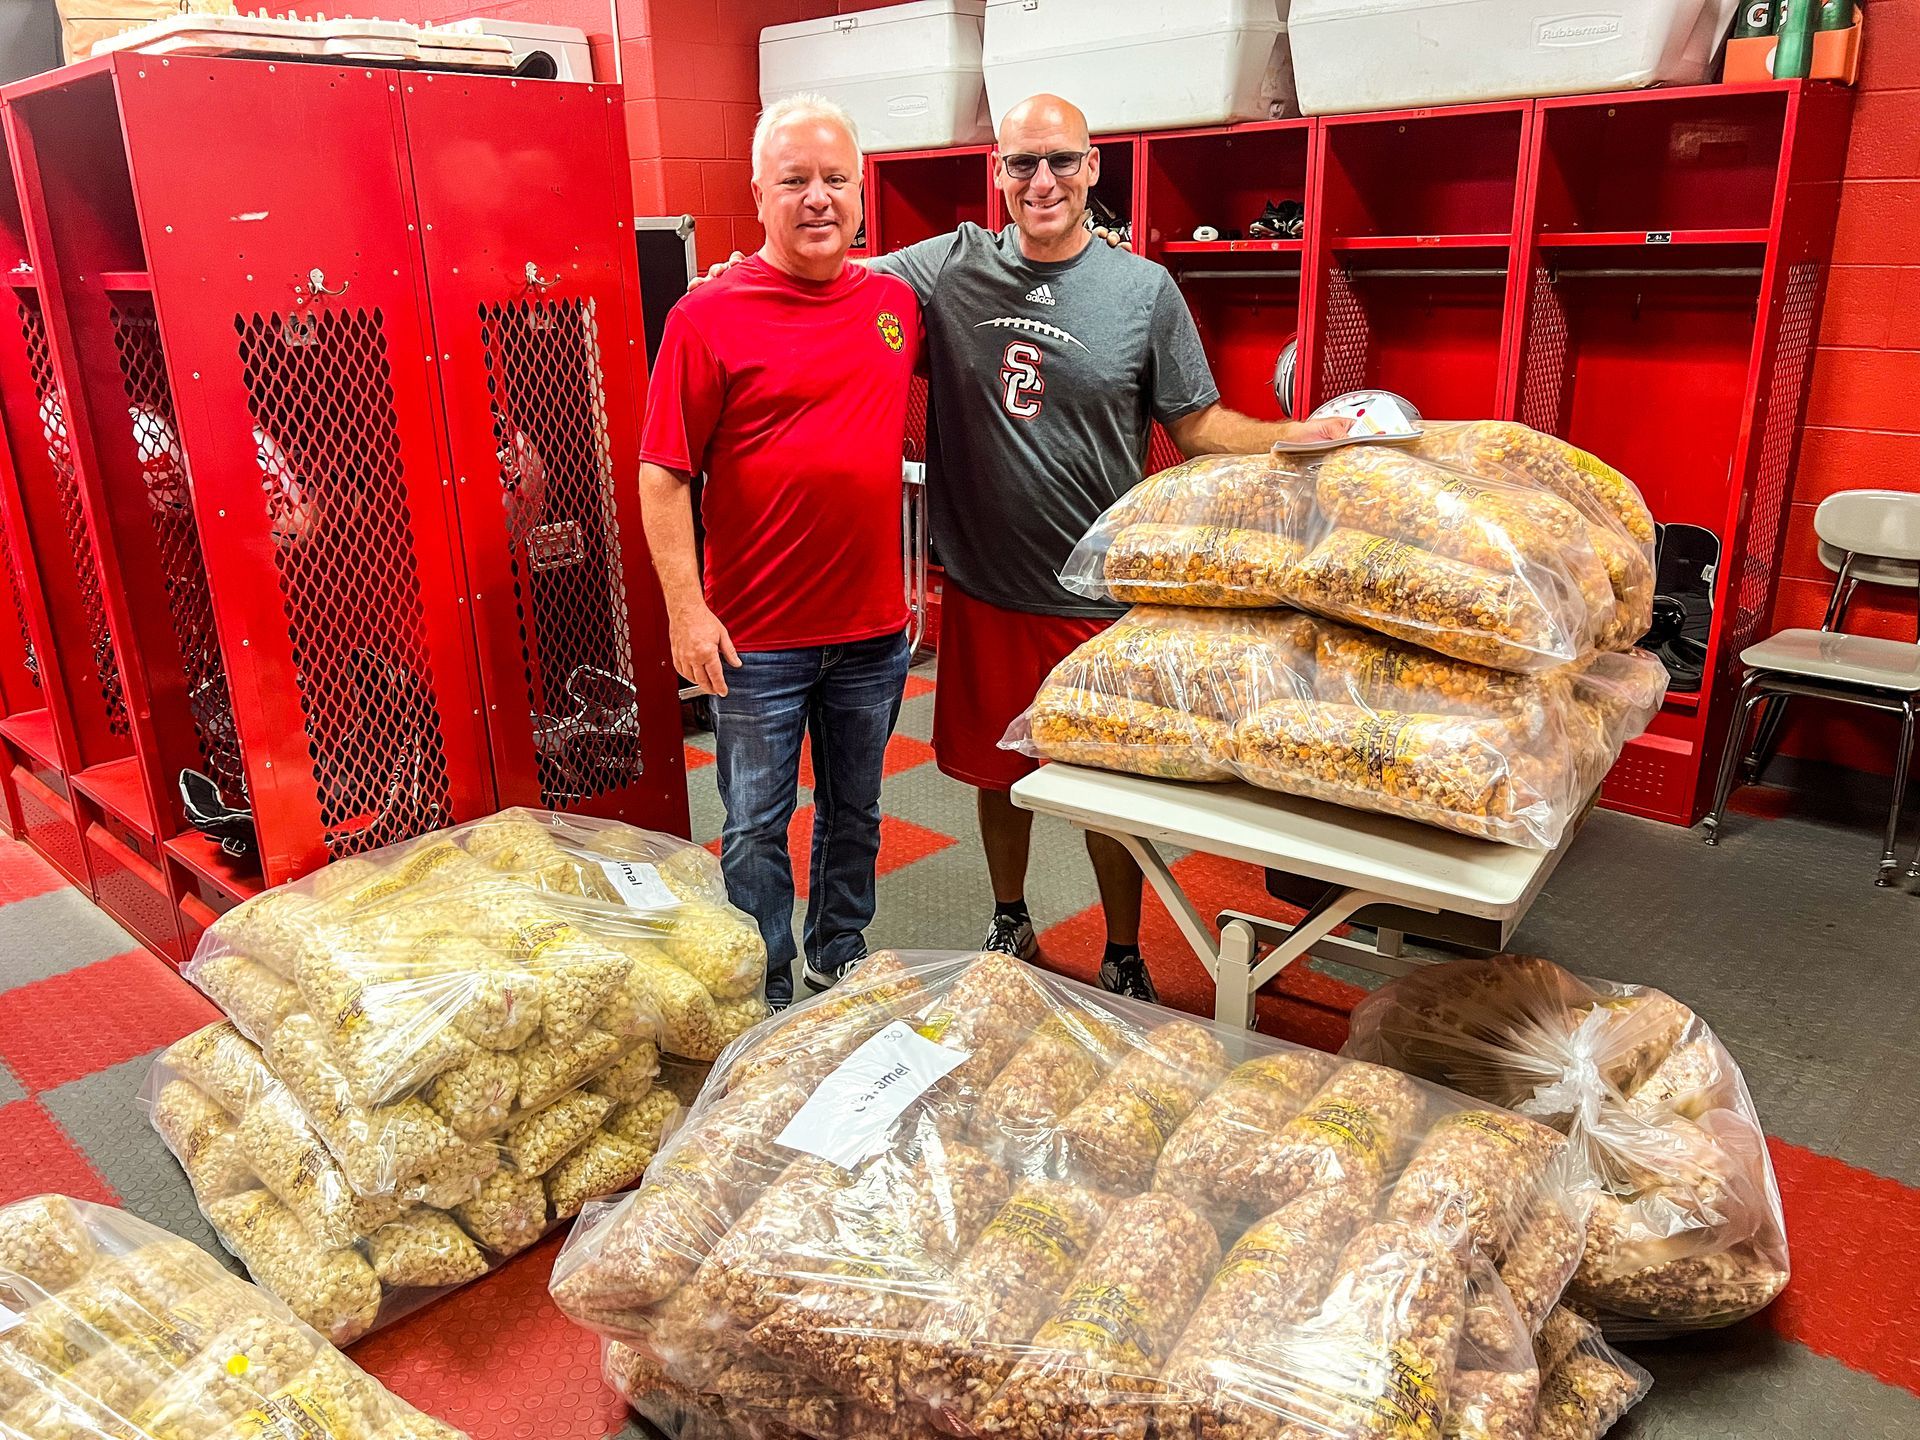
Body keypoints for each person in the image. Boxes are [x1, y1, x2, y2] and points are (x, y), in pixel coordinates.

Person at [697, 93, 1345, 1002]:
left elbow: (1196, 427)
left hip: (1098, 602)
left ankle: (1123, 947)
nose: (1042, 181)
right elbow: (829, 266)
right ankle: (1010, 917)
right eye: (1021, 164)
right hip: (988, 589)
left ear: (1092, 170)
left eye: (1061, 162)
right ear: (998, 173)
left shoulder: (1144, 291)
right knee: (996, 775)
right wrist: (745, 267)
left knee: (1108, 792)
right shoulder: (949, 269)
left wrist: (1292, 437)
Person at [636, 93, 921, 1008]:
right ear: (757, 192)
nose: (817, 200)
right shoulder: (707, 315)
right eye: (794, 181)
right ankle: (761, 987)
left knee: (857, 815)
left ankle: (840, 951)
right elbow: (663, 473)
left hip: (873, 629)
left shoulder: (895, 303)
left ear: (861, 193)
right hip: (756, 639)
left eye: (836, 180)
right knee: (756, 824)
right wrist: (687, 609)